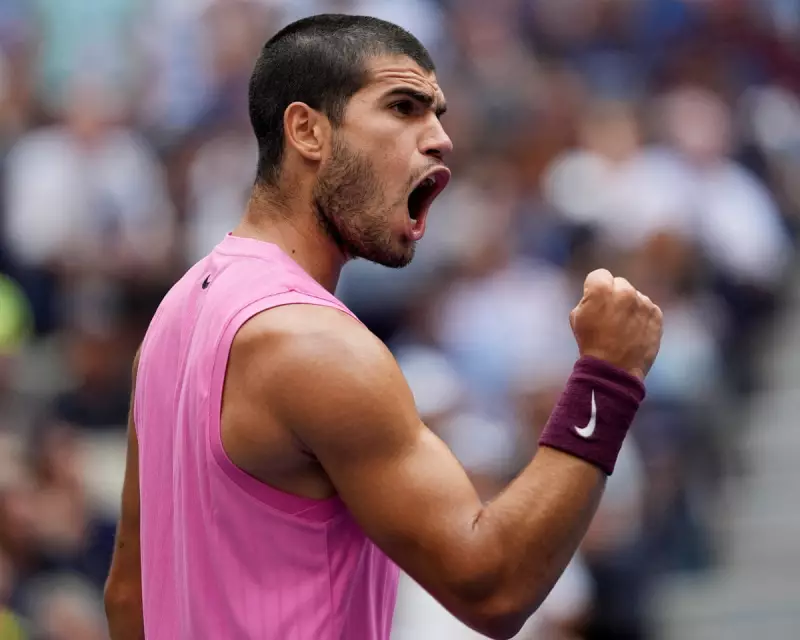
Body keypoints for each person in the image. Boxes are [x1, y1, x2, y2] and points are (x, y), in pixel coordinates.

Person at [103, 14, 663, 640]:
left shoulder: (171, 321)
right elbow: (495, 585)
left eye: (438, 113)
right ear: (307, 130)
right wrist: (607, 379)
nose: (441, 139)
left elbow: (130, 595)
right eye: (403, 107)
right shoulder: (314, 344)